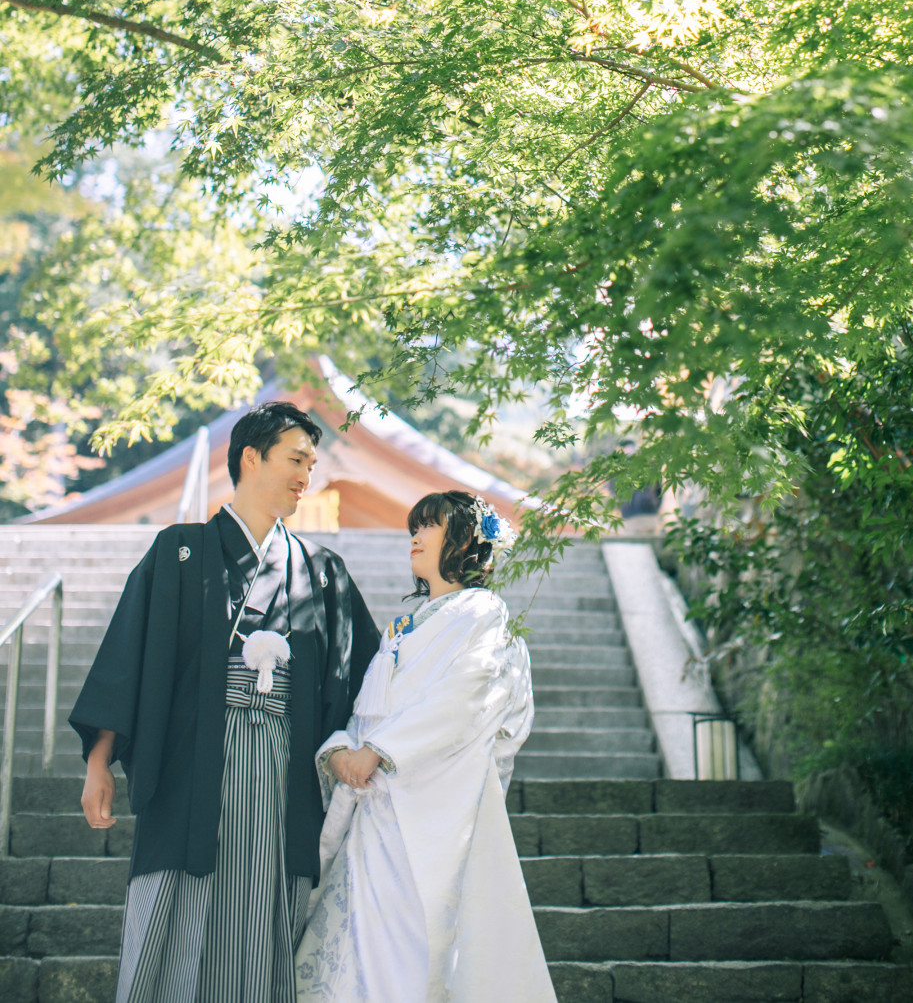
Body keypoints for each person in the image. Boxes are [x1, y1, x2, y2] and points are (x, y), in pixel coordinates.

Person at [69, 400, 381, 1003]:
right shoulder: (178, 552)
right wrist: (99, 761)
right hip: (193, 765)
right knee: (174, 916)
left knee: (263, 913)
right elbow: (128, 656)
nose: (305, 475)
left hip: (282, 771)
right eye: (295, 459)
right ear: (250, 457)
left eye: (311, 465)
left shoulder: (322, 573)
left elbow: (366, 673)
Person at [295, 489, 556, 1003]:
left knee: (416, 945)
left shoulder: (484, 613)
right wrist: (343, 748)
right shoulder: (406, 626)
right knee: (358, 945)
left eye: (431, 526)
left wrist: (381, 749)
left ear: (463, 540)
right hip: (376, 807)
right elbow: (369, 707)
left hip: (431, 804)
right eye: (414, 526)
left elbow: (462, 699)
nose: (415, 536)